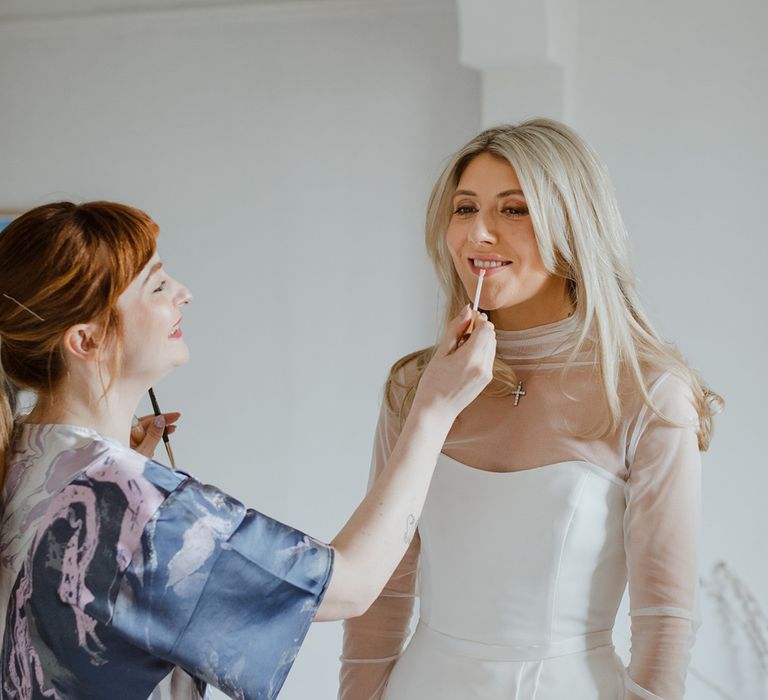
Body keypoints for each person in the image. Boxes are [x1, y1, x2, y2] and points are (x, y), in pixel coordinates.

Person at [0, 200, 497, 700]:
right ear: (86, 341)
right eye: (156, 285)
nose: (183, 294)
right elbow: (350, 587)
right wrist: (433, 410)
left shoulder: (24, 455)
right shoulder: (132, 503)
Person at [340, 118, 722, 700]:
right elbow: (382, 585)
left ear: (573, 225)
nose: (478, 234)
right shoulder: (417, 384)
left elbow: (665, 619)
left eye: (513, 210)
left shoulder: (649, 392)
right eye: (464, 208)